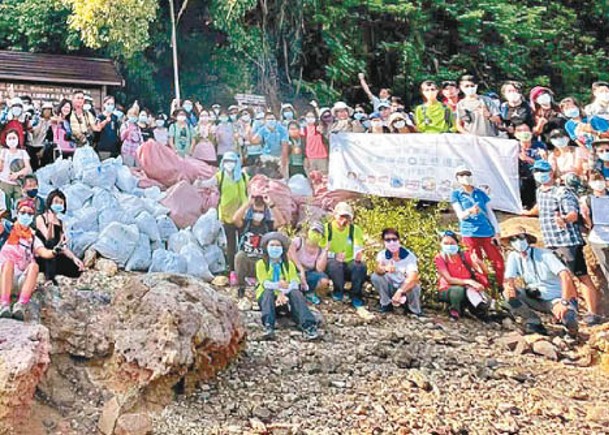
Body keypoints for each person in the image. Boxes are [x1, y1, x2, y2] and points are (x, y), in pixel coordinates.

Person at [524, 159, 602, 325]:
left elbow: (573, 214)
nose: (538, 174)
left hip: (567, 241)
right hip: (551, 241)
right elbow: (540, 207)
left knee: (580, 275)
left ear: (551, 173)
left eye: (541, 171)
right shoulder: (541, 191)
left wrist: (564, 219)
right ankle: (571, 308)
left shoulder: (562, 192)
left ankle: (592, 312)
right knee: (562, 276)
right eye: (536, 171)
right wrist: (527, 213)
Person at [502, 226, 579, 337]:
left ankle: (571, 334)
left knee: (568, 317)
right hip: (534, 297)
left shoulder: (545, 255)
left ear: (527, 239)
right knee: (508, 295)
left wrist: (564, 302)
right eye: (513, 239)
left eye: (520, 237)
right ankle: (533, 320)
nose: (517, 241)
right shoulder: (514, 256)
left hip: (555, 299)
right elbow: (509, 278)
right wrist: (509, 287)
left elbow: (565, 276)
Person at [0, 199, 60, 320]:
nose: (25, 216)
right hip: (4, 276)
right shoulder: (7, 230)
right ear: (17, 213)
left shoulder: (32, 238)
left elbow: (43, 252)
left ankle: (21, 304)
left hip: (21, 279)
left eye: (29, 213)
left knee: (34, 266)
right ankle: (4, 303)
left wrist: (54, 251)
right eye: (23, 212)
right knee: (8, 263)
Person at [255, 232, 319, 340]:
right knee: (268, 292)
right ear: (266, 247)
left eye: (278, 245)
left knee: (296, 293)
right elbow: (265, 283)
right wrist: (278, 288)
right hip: (269, 299)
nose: (275, 248)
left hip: (286, 299)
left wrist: (283, 293)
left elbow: (294, 282)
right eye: (272, 245)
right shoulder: (261, 264)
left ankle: (308, 326)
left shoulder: (289, 264)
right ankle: (268, 326)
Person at [450, 166, 504, 286]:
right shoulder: (456, 195)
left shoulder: (480, 193)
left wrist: (497, 232)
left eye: (468, 174)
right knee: (476, 262)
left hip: (486, 232)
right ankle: (484, 287)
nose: (466, 177)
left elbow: (490, 213)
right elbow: (460, 215)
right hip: (469, 233)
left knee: (498, 262)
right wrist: (470, 211)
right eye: (462, 175)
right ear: (457, 178)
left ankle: (500, 286)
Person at [197, 152, 249, 275]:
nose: (229, 164)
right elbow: (208, 183)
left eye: (231, 161)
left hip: (242, 214)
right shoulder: (220, 176)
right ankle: (232, 269)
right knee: (231, 244)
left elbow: (249, 190)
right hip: (226, 215)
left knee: (243, 242)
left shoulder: (242, 176)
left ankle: (243, 268)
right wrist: (199, 183)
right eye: (226, 161)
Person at [233, 193, 284, 298]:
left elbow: (281, 222)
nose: (258, 214)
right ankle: (241, 287)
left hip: (262, 263)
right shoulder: (246, 224)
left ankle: (264, 287)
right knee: (239, 256)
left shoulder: (267, 226)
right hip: (248, 262)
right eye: (255, 211)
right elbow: (235, 219)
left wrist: (271, 204)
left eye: (261, 212)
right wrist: (248, 203)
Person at [320, 202, 367, 308]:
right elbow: (321, 250)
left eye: (347, 217)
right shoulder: (326, 229)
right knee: (335, 264)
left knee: (360, 266)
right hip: (331, 263)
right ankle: (338, 291)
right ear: (335, 215)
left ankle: (356, 295)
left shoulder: (355, 230)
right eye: (341, 216)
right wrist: (334, 255)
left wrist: (358, 255)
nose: (344, 220)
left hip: (349, 263)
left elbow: (358, 247)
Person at [434, 230, 490, 320]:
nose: (449, 246)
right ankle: (454, 310)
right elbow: (449, 279)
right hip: (448, 289)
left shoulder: (464, 256)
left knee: (480, 297)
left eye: (452, 243)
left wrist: (479, 262)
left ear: (457, 244)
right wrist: (469, 281)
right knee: (457, 291)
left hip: (467, 289)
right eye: (446, 243)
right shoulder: (440, 258)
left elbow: (484, 272)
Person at [35, 190, 84, 285]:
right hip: (42, 254)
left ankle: (54, 272)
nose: (59, 205)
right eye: (56, 202)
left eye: (61, 203)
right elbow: (49, 239)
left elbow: (62, 246)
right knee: (51, 245)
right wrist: (50, 224)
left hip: (55, 254)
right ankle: (49, 278)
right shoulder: (41, 218)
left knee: (75, 269)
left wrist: (74, 258)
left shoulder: (61, 223)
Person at [371, 228, 422, 315]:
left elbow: (413, 277)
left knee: (414, 284)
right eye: (388, 240)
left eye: (394, 239)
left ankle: (414, 310)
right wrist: (385, 268)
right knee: (375, 277)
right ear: (383, 242)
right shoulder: (382, 255)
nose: (391, 242)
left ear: (399, 240)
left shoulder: (409, 256)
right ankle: (386, 304)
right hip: (391, 287)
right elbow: (378, 269)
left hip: (404, 289)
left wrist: (400, 291)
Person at [581, 171, 609, 295]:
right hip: (598, 239)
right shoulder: (586, 200)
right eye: (594, 180)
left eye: (600, 179)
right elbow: (588, 224)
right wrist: (586, 216)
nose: (598, 183)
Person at [288, 222, 329, 305]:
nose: (316, 234)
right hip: (294, 271)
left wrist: (325, 251)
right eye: (314, 231)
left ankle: (309, 293)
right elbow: (290, 253)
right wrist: (300, 269)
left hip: (309, 274)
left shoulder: (320, 250)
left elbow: (319, 269)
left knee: (324, 281)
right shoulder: (298, 241)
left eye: (319, 233)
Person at [0, 129, 32, 212]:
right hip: (5, 183)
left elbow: (27, 168)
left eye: (14, 138)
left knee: (19, 206)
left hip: (19, 184)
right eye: (9, 138)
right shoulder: (3, 152)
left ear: (18, 139)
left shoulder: (23, 152)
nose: (12, 141)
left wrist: (17, 174)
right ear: (6, 140)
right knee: (5, 208)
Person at [515, 124, 546, 209]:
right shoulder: (513, 147)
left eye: (526, 130)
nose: (524, 133)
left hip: (534, 175)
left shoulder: (539, 146)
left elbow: (543, 164)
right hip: (520, 177)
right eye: (520, 131)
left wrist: (528, 159)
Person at [95, 96, 122, 160]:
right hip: (103, 148)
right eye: (108, 104)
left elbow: (118, 131)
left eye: (112, 104)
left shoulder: (115, 117)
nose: (110, 106)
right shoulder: (100, 117)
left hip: (113, 149)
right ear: (104, 105)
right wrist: (106, 121)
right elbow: (97, 128)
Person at [30, 102, 54, 170]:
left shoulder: (52, 122)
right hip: (34, 145)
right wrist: (40, 123)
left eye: (49, 110)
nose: (47, 111)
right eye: (45, 109)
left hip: (45, 147)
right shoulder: (37, 120)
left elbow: (50, 138)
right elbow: (34, 134)